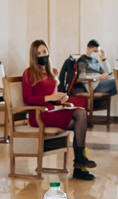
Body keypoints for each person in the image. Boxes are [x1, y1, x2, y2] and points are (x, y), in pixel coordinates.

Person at [21, 40, 95, 180]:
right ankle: (79, 162)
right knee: (80, 114)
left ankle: (79, 165)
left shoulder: (53, 72)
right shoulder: (29, 73)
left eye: (44, 51)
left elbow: (53, 99)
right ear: (34, 56)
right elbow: (27, 98)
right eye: (39, 53)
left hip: (51, 111)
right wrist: (49, 97)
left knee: (80, 119)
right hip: (39, 114)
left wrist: (60, 99)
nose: (43, 55)